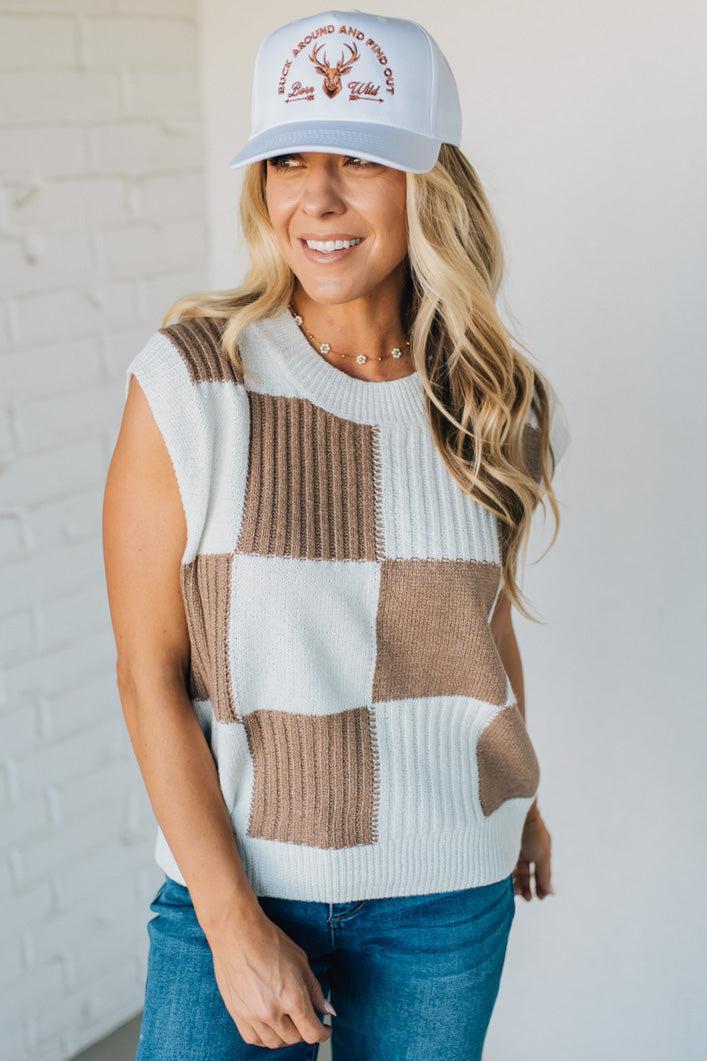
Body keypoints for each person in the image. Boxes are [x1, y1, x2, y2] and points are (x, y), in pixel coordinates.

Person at [102, 9, 571, 1060]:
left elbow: (478, 630)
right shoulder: (191, 378)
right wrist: (228, 923)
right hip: (238, 879)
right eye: (285, 161)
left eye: (358, 159)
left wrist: (519, 797)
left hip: (445, 887)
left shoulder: (492, 397)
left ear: (429, 180)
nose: (312, 198)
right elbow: (148, 672)